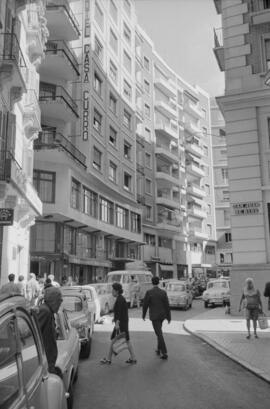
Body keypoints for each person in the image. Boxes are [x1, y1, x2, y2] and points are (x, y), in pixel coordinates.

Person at [100, 282, 137, 365]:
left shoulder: (120, 299)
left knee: (115, 340)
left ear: (117, 291)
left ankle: (109, 359)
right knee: (126, 340)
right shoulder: (120, 298)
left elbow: (119, 313)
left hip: (121, 324)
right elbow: (120, 312)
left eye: (113, 290)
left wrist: (117, 323)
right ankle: (133, 358)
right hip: (123, 323)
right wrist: (115, 318)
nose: (112, 291)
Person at [142, 276, 171, 360]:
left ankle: (164, 352)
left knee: (159, 333)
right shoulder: (163, 292)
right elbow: (167, 306)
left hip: (154, 316)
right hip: (162, 316)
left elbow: (145, 305)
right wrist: (169, 317)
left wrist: (143, 315)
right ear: (158, 282)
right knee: (159, 332)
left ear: (152, 282)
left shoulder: (149, 292)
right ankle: (158, 349)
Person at [37, 286, 63, 376]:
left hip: (48, 361)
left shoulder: (49, 311)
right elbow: (36, 335)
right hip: (45, 361)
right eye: (59, 300)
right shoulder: (45, 311)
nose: (61, 302)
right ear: (53, 300)